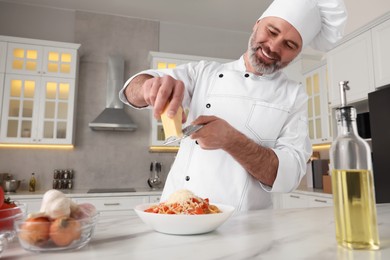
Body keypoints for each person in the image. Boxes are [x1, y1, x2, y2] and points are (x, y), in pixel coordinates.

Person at [119, 0, 348, 211]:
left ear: (297, 53)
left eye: (289, 44)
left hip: (245, 231)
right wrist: (149, 88)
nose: (273, 47)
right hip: (176, 214)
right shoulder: (203, 73)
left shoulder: (293, 96)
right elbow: (132, 90)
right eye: (272, 31)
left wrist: (231, 140)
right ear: (256, 25)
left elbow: (288, 177)